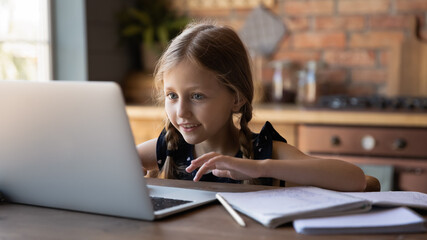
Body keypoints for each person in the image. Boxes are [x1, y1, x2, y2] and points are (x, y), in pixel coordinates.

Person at [137, 21, 366, 192]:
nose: (181, 112)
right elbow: (110, 164)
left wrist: (261, 168)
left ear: (236, 98)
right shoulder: (170, 146)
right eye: (172, 96)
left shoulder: (264, 152)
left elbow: (355, 179)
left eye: (197, 96)